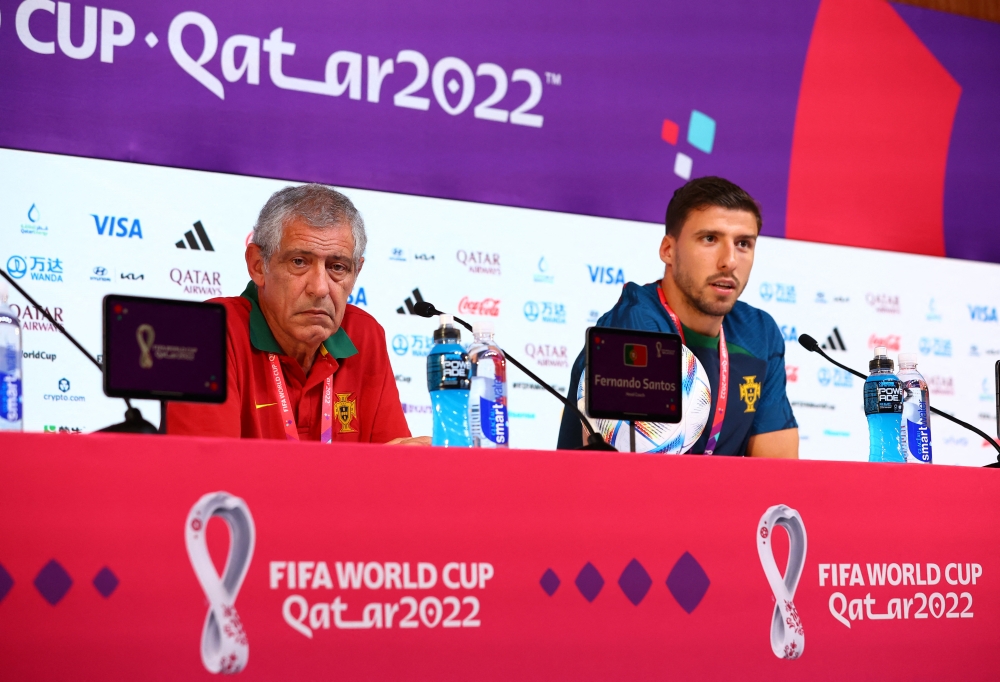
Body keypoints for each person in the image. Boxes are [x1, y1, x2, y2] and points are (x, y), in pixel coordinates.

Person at [167, 184, 428, 445]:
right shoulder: (207, 330)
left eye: (337, 267)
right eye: (299, 262)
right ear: (258, 265)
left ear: (356, 273)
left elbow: (393, 464)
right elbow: (207, 473)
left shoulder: (364, 335)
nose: (320, 288)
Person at [557, 177, 798, 457]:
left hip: (717, 500)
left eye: (743, 243)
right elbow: (630, 479)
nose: (729, 261)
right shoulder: (635, 326)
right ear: (668, 251)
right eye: (710, 239)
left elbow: (779, 474)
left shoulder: (759, 333)